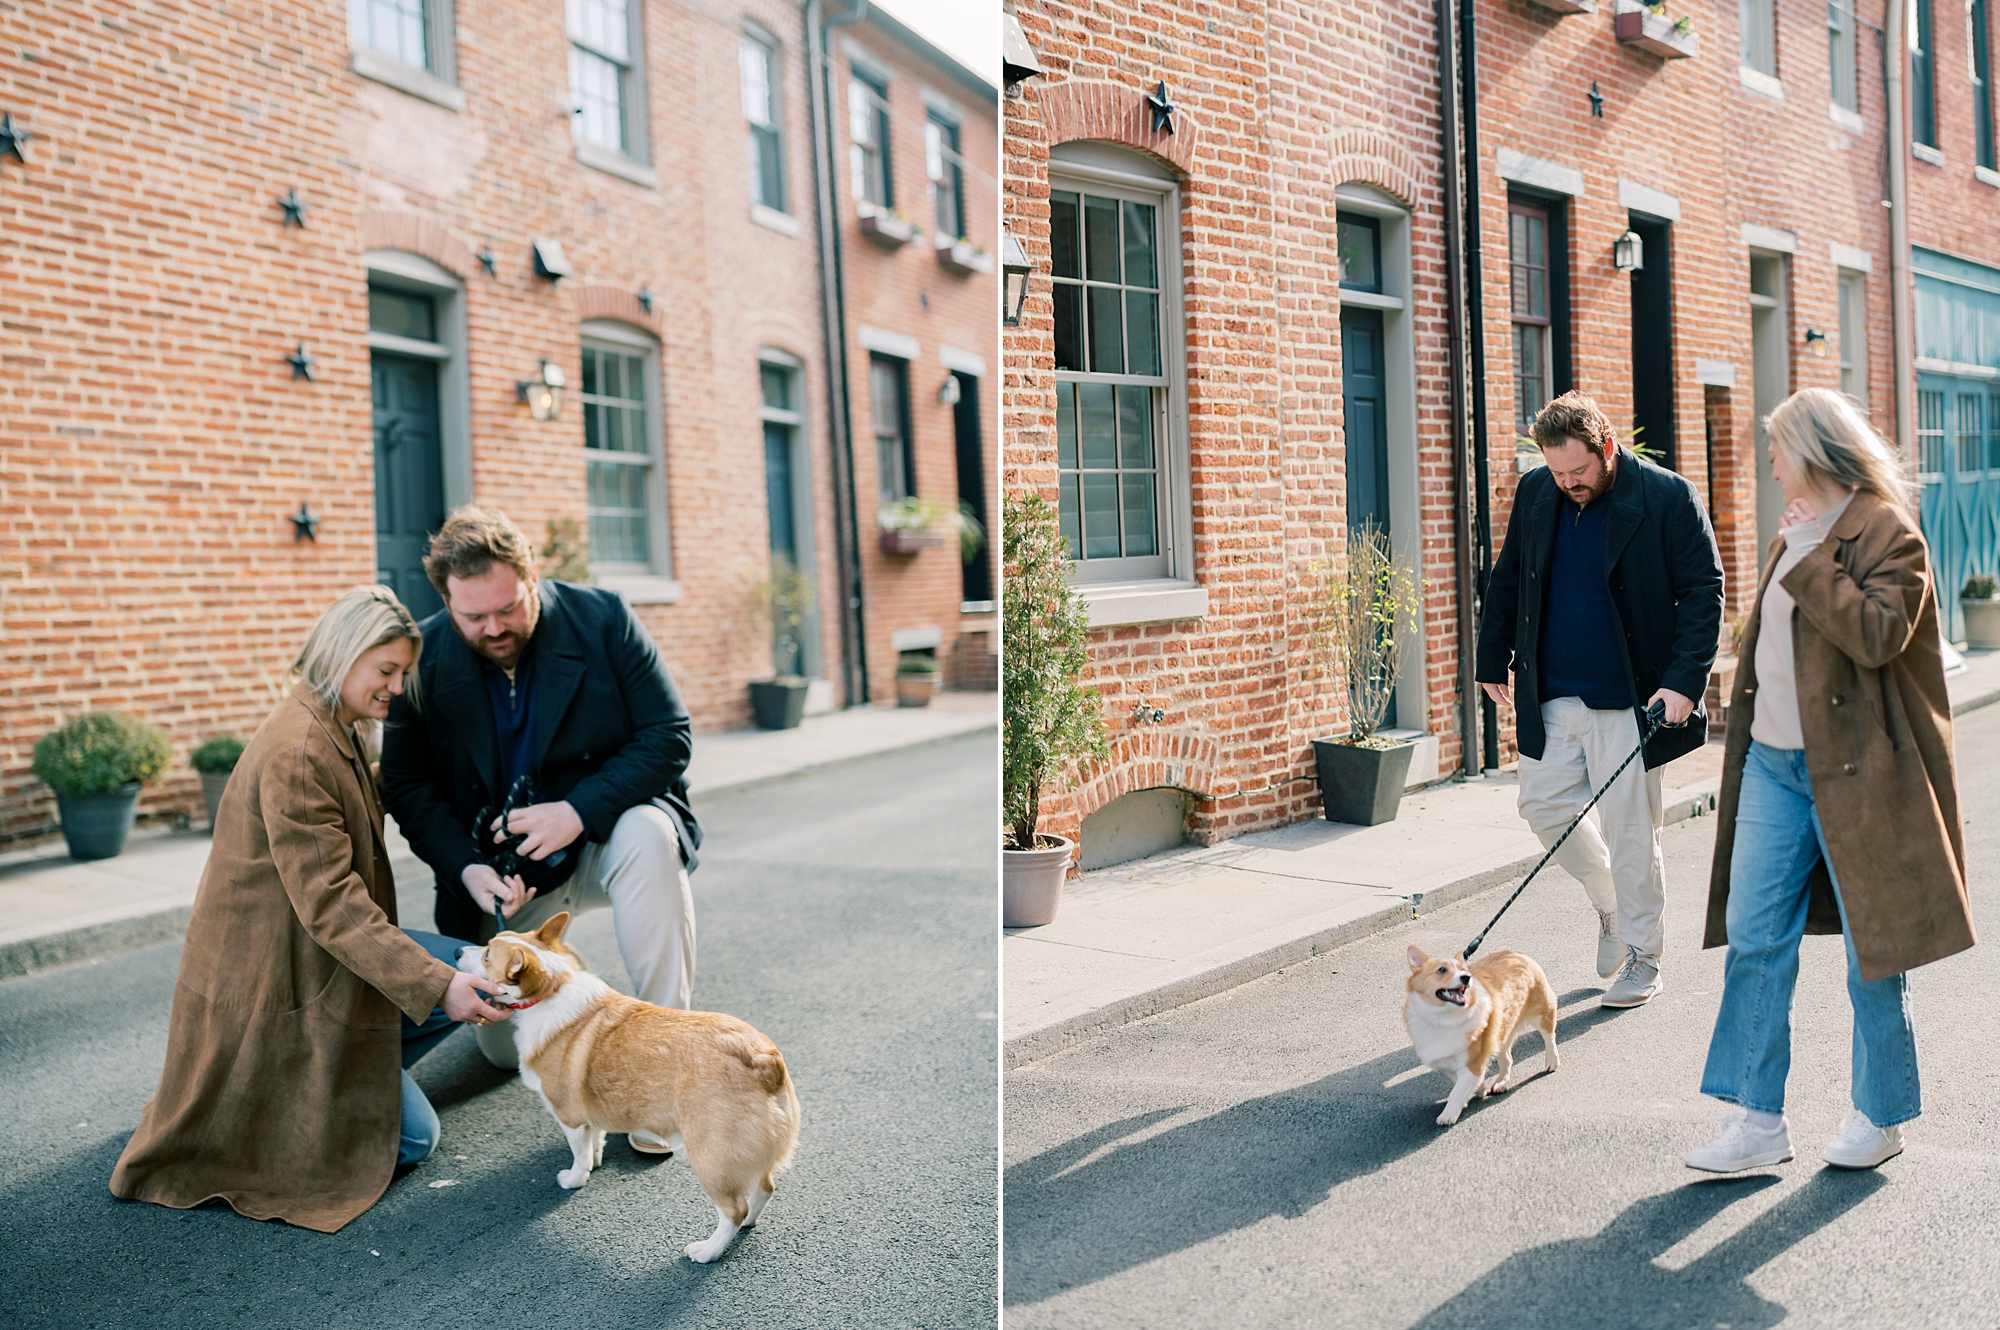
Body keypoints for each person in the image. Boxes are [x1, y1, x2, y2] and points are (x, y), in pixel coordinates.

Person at [110, 586, 512, 1232]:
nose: (396, 688)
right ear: (344, 655)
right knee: (414, 1138)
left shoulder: (334, 726)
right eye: (385, 671)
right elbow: (332, 907)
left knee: (472, 968)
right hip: (278, 982)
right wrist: (438, 984)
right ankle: (284, 1094)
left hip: (315, 956)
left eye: (401, 673)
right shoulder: (300, 750)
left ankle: (347, 1069)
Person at [1685, 388, 1976, 1173]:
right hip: (1774, 770)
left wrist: (1813, 558)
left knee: (1872, 954)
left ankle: (1880, 1116)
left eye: (1776, 453)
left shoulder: (1888, 533)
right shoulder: (1799, 532)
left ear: (1813, 451)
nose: (1772, 471)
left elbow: (1878, 636)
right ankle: (1756, 1120)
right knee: (1754, 940)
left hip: (1861, 776)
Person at [377, 506, 700, 1134]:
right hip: (503, 876)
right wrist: (465, 868)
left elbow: (669, 736)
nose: (495, 627)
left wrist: (578, 811)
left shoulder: (603, 618)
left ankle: (662, 1066)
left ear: (532, 578)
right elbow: (409, 787)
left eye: (510, 608)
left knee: (649, 832)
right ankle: (573, 1001)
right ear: (447, 599)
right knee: (503, 1051)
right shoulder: (423, 656)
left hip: (604, 837)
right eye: (475, 617)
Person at [1477, 391, 1724, 1007]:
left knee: (1633, 832)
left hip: (1633, 701)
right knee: (1544, 809)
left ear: (1608, 447)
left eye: (1579, 472)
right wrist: (1490, 657)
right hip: (1553, 693)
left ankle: (1644, 956)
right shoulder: (1537, 494)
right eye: (1559, 473)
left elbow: (1704, 590)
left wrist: (1684, 679)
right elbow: (1507, 576)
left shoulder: (1667, 496)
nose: (1569, 484)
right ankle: (1612, 902)